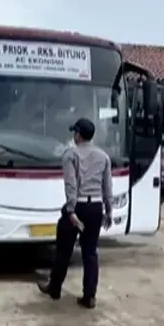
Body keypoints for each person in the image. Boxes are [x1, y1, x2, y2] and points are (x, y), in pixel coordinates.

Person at [37, 117, 112, 309]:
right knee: (90, 252)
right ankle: (89, 297)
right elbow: (107, 187)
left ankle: (55, 288)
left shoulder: (70, 155)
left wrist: (71, 212)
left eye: (75, 132)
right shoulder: (104, 157)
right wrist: (108, 210)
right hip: (96, 208)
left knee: (63, 250)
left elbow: (71, 184)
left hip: (77, 207)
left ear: (78, 134)